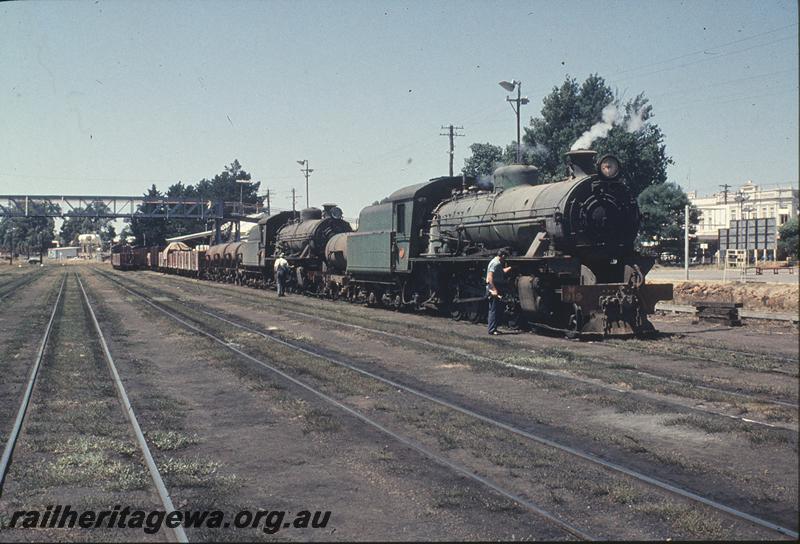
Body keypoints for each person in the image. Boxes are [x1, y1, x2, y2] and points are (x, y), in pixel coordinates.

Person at [486, 249, 511, 335]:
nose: (505, 259)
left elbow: (501, 272)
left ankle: (493, 328)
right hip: (494, 287)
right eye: (505, 257)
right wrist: (494, 289)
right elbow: (490, 277)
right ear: (503, 256)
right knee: (493, 309)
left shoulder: (497, 263)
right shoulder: (495, 263)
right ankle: (492, 330)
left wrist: (510, 268)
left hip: (496, 286)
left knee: (495, 309)